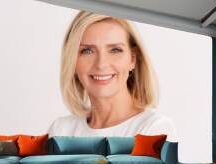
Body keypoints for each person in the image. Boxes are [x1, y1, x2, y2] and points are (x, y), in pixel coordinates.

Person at [48, 11, 177, 142]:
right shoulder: (61, 130)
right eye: (87, 51)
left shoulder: (154, 128)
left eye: (115, 50)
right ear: (72, 60)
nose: (101, 64)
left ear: (132, 59)